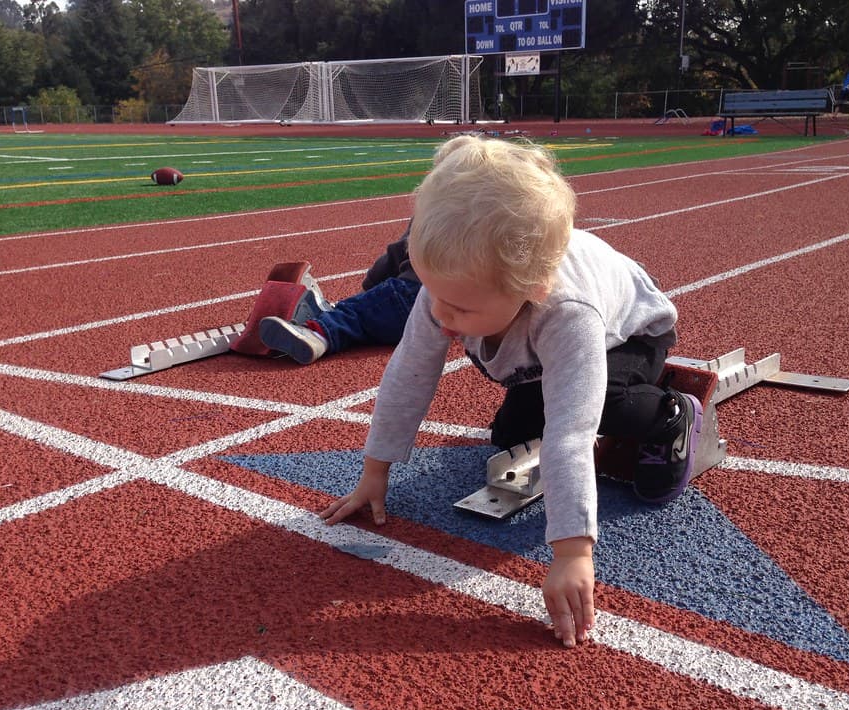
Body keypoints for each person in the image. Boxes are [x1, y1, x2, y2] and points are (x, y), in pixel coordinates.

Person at [319, 135, 703, 649]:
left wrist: (572, 554)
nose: (441, 316)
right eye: (435, 296)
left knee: (598, 408)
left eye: (459, 309)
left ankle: (670, 414)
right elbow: (409, 373)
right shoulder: (449, 292)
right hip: (534, 351)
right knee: (510, 437)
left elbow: (570, 434)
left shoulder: (567, 313)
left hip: (628, 335)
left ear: (532, 288)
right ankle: (549, 390)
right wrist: (374, 472)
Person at [258, 222, 420, 364]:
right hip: (440, 313)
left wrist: (366, 292)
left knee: (354, 316)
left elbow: (397, 254)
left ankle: (318, 333)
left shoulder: (432, 205)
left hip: (413, 294)